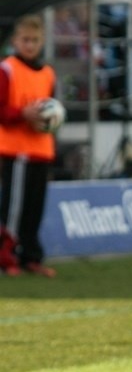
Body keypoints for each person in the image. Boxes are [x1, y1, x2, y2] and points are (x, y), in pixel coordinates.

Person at [0, 14, 59, 278]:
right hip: (16, 150)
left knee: (35, 208)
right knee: (13, 208)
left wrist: (50, 120)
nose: (30, 45)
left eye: (35, 40)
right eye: (25, 40)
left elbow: (52, 109)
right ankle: (7, 258)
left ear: (42, 42)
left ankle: (31, 257)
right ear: (15, 41)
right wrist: (22, 114)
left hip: (41, 150)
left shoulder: (48, 73)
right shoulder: (7, 69)